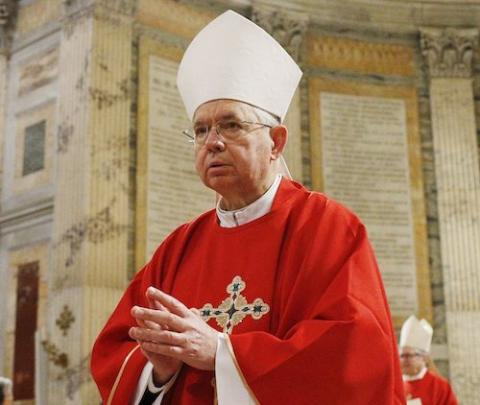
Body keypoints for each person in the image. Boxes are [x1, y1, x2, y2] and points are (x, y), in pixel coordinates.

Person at [91, 10, 405, 405]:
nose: (212, 142)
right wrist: (157, 372)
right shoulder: (179, 248)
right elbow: (116, 352)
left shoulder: (328, 228)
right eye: (201, 130)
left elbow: (354, 357)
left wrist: (222, 354)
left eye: (231, 125)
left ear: (276, 141)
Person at [400, 315, 458, 405]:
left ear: (424, 358)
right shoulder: (394, 384)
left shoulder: (440, 386)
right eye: (402, 356)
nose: (405, 360)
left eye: (409, 356)